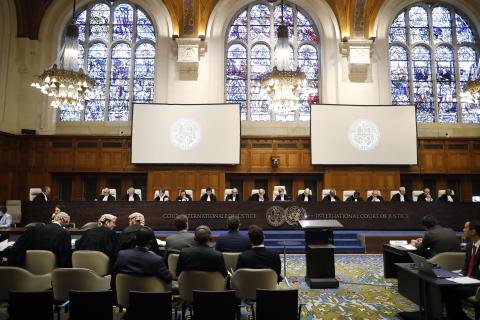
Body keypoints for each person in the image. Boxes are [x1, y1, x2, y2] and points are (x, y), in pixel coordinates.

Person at [444, 220, 480, 319]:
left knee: (450, 290)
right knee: (445, 286)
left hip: (477, 284)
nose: (463, 230)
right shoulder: (469, 246)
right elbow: (466, 266)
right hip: (467, 279)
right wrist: (458, 275)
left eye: (465, 228)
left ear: (473, 231)